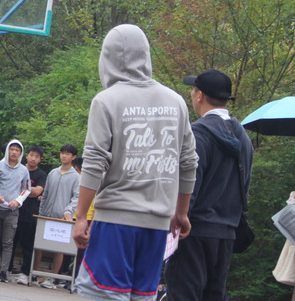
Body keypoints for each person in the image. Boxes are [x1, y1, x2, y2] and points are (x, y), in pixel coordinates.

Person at [72, 24, 198, 301]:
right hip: (158, 226)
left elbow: (94, 162)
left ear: (107, 57)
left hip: (116, 220)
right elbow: (189, 161)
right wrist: (181, 212)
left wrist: (81, 217)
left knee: (107, 295)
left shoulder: (106, 101)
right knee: (142, 297)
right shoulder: (176, 102)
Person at [165, 69, 253, 301]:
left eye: (193, 90)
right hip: (227, 233)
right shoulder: (243, 137)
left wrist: (179, 217)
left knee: (183, 294)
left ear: (200, 95)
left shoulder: (197, 135)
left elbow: (189, 182)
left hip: (194, 230)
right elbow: (244, 185)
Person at [0, 139, 30, 283]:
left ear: (21, 153)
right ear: (7, 150)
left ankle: (4, 271)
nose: (14, 152)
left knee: (8, 242)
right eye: (11, 149)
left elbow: (27, 189)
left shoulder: (23, 170)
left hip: (12, 211)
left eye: (17, 150)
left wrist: (18, 201)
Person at [36, 143, 80, 289]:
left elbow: (77, 197)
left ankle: (53, 278)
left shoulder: (76, 177)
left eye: (67, 153)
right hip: (46, 215)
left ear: (73, 157)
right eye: (62, 153)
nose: (64, 156)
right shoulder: (53, 173)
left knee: (59, 248)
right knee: (39, 244)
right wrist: (42, 211)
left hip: (63, 218)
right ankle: (34, 274)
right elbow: (46, 194)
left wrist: (68, 211)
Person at [14, 145, 47, 286]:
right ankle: (6, 269)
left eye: (37, 156)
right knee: (9, 243)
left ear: (40, 159)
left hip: (30, 214)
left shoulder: (41, 175)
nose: (33, 158)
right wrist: (28, 190)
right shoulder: (19, 169)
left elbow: (37, 191)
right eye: (31, 155)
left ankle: (25, 272)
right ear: (26, 155)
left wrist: (21, 187)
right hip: (14, 211)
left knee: (27, 246)